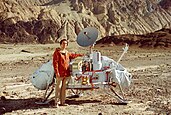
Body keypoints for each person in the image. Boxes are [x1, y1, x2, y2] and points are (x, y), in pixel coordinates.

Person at [53, 39, 83, 106]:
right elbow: (55, 63)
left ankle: (62, 102)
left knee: (64, 88)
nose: (64, 45)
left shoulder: (66, 52)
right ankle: (56, 102)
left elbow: (72, 55)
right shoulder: (57, 53)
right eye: (63, 43)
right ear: (60, 44)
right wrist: (57, 72)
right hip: (60, 73)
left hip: (66, 73)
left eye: (66, 44)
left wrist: (80, 55)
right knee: (59, 87)